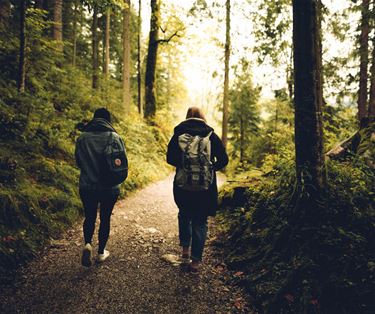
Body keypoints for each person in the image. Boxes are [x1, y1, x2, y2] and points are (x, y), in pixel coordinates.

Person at [167, 107, 229, 272]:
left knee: (184, 214)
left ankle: (185, 251)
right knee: (200, 221)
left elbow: (169, 158)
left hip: (182, 186)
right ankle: (195, 262)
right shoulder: (211, 135)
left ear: (187, 117)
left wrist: (184, 165)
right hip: (205, 188)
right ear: (203, 117)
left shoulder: (178, 135)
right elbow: (224, 160)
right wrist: (209, 168)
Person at [75, 108, 126, 267]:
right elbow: (122, 163)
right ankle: (101, 252)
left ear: (94, 119)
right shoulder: (114, 137)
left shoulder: (82, 138)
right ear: (108, 120)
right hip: (109, 188)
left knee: (89, 216)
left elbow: (78, 162)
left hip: (87, 186)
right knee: (105, 218)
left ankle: (88, 244)